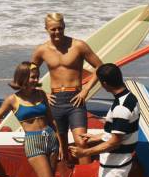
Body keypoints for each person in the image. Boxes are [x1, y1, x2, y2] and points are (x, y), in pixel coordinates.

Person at [31, 12, 103, 164]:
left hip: (75, 99)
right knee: (59, 146)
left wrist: (85, 90)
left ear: (64, 27)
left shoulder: (78, 46)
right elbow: (29, 73)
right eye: (53, 29)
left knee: (81, 142)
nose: (57, 32)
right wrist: (41, 92)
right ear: (46, 29)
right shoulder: (42, 50)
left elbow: (100, 67)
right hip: (55, 101)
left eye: (60, 28)